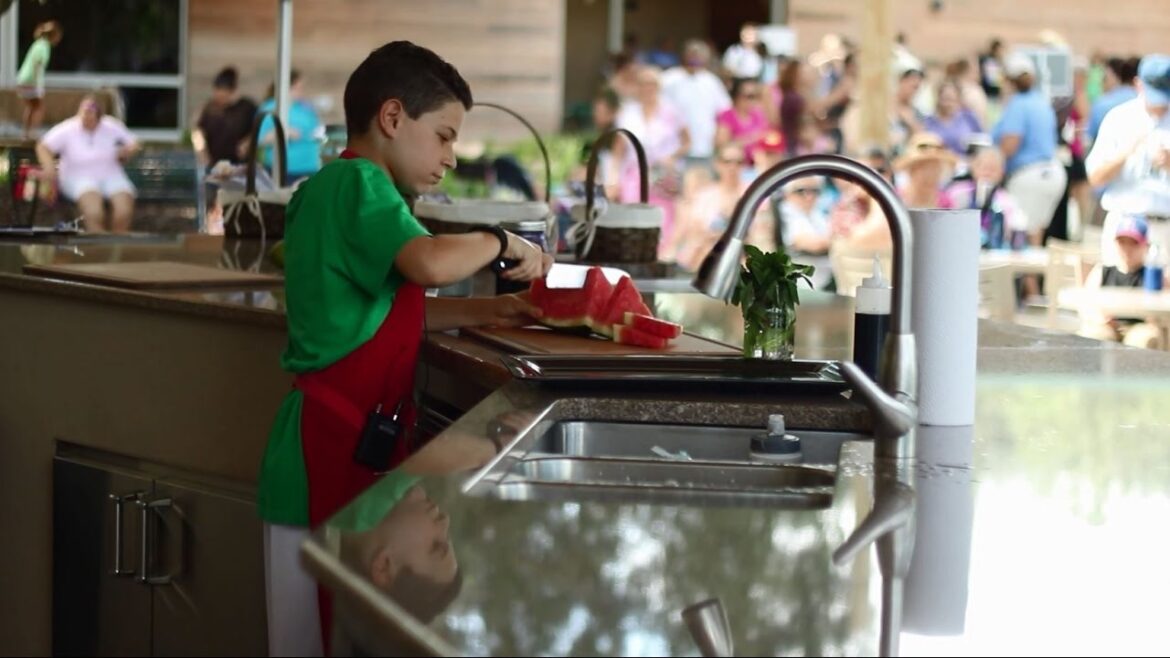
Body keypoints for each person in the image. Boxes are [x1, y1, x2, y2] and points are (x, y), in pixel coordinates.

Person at [257, 41, 552, 657]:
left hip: (332, 442)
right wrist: (499, 240)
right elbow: (427, 263)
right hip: (327, 451)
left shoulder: (334, 187)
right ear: (392, 118)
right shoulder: (360, 183)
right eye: (443, 136)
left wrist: (497, 309)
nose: (450, 157)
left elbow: (395, 314)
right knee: (314, 635)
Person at [1085, 54, 1170, 263]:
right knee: (1116, 293)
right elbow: (1095, 177)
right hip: (1124, 226)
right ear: (1138, 85)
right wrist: (1125, 153)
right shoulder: (1120, 118)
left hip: (1164, 227)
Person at [992, 53, 1066, 249]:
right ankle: (1034, 280)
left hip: (1028, 177)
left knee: (1020, 234)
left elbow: (1010, 145)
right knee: (1035, 236)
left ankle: (1029, 281)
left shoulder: (1017, 104)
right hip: (1052, 174)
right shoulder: (1041, 103)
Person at [35, 96, 140, 233]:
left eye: (91, 114)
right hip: (78, 178)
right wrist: (49, 167)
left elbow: (134, 143)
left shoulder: (111, 125)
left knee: (124, 210)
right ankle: (99, 248)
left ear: (99, 117)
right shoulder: (67, 128)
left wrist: (127, 151)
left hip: (111, 175)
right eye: (84, 113)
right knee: (94, 212)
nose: (86, 118)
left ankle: (117, 247)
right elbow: (43, 146)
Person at [1077, 215, 1165, 349]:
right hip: (1107, 325)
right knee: (1095, 336)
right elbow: (1086, 302)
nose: (1127, 249)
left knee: (1142, 341)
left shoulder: (1153, 275)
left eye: (1133, 243)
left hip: (1139, 326)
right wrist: (1099, 318)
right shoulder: (1103, 271)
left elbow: (1161, 306)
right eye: (1122, 242)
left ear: (1145, 246)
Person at [660, 40, 732, 162]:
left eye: (698, 55)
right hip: (674, 147)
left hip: (705, 146)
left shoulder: (711, 81)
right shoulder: (669, 78)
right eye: (692, 55)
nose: (694, 59)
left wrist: (721, 133)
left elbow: (725, 110)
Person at [944, 147, 1025, 249]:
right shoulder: (957, 192)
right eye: (984, 168)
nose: (988, 173)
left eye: (993, 169)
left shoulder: (1007, 200)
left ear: (1001, 173)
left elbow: (1011, 231)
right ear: (973, 168)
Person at [258, 70, 323, 182]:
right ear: (286, 87)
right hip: (285, 169)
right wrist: (283, 132)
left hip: (311, 167)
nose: (301, 91)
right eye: (298, 88)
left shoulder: (305, 107)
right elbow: (260, 140)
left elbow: (316, 131)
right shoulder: (270, 108)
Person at [193, 66, 259, 168]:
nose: (219, 100)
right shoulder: (209, 108)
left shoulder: (247, 107)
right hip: (215, 165)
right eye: (216, 94)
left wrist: (248, 142)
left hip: (241, 166)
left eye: (223, 96)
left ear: (232, 92)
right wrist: (201, 152)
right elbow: (198, 132)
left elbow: (259, 129)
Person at [15, 20, 63, 140]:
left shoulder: (38, 43)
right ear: (54, 35)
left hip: (23, 79)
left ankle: (26, 133)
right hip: (30, 80)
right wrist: (38, 87)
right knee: (39, 108)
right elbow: (37, 66)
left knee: (32, 107)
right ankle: (31, 133)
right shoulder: (44, 46)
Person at [893, 132, 957, 209]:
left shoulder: (946, 202)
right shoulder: (895, 199)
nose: (931, 175)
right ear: (911, 170)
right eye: (924, 168)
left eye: (935, 168)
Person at [714, 78, 768, 166]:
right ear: (736, 96)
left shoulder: (758, 114)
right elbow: (721, 144)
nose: (752, 100)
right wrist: (750, 139)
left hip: (757, 165)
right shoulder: (727, 116)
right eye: (749, 96)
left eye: (755, 96)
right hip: (735, 167)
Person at [923, 79, 983, 155]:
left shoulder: (968, 118)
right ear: (938, 98)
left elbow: (981, 142)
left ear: (958, 98)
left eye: (951, 99)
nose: (948, 104)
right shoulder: (929, 121)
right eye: (945, 99)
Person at [1087, 57, 1139, 144]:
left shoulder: (1101, 104)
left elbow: (1090, 136)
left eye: (1104, 77)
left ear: (1115, 77)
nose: (1101, 82)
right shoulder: (1144, 101)